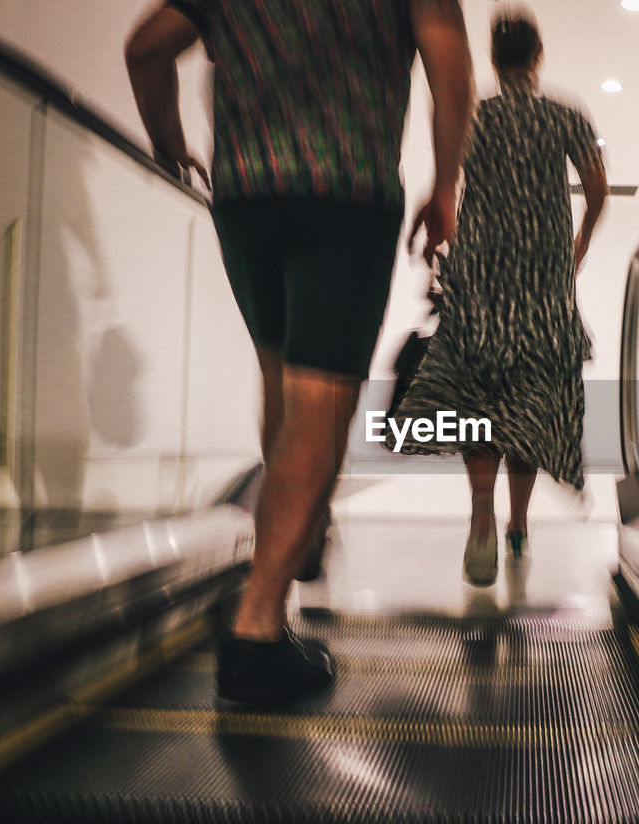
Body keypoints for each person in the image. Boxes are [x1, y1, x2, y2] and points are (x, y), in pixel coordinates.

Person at [125, 0, 473, 705]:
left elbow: (147, 50)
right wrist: (444, 187)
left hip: (247, 193)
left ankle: (300, 538)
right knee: (322, 398)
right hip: (344, 188)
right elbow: (449, 66)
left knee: (280, 379)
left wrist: (168, 144)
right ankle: (257, 629)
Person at [393, 10, 607, 586]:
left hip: (482, 271)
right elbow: (597, 190)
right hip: (542, 277)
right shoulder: (564, 113)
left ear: (492, 58)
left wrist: (455, 249)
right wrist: (578, 245)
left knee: (481, 394)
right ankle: (517, 524)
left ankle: (481, 513)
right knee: (531, 394)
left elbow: (450, 185)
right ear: (537, 56)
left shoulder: (475, 116)